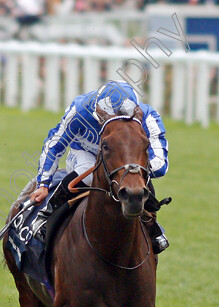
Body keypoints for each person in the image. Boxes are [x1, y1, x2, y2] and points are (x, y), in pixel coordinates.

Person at [28, 80, 170, 253]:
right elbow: (55, 144)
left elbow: (160, 165)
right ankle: (46, 215)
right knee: (88, 176)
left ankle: (151, 227)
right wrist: (43, 184)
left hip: (123, 160)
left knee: (138, 181)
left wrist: (133, 169)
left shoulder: (147, 116)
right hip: (85, 154)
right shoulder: (80, 110)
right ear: (98, 111)